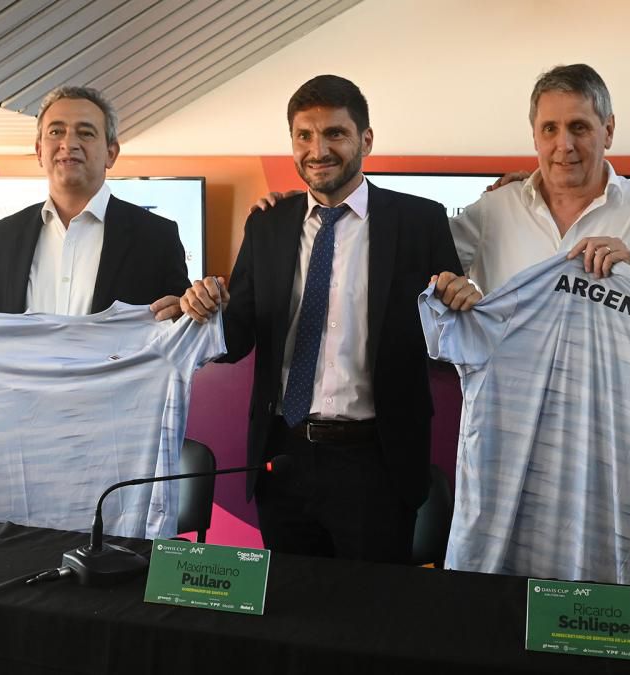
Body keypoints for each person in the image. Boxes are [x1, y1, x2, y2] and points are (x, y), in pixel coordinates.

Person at [179, 74, 477, 562]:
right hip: (284, 454)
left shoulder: (420, 222)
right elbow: (238, 338)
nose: (318, 150)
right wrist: (208, 312)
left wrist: (461, 300)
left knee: (372, 619)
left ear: (365, 140)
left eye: (335, 134)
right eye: (304, 136)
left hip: (377, 461)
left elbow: (447, 336)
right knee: (290, 613)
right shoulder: (268, 223)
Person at [254, 65, 630, 295]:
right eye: (550, 129)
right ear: (534, 135)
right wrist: (312, 206)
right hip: (510, 419)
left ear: (608, 130)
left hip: (613, 420)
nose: (564, 145)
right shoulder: (494, 211)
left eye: (579, 127)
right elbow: (404, 254)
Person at [0, 85, 187, 335]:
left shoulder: (156, 236)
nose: (69, 143)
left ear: (111, 153)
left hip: (119, 391)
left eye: (86, 132)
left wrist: (190, 313)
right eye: (56, 131)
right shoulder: (3, 236)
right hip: (19, 391)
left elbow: (180, 328)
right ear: (40, 150)